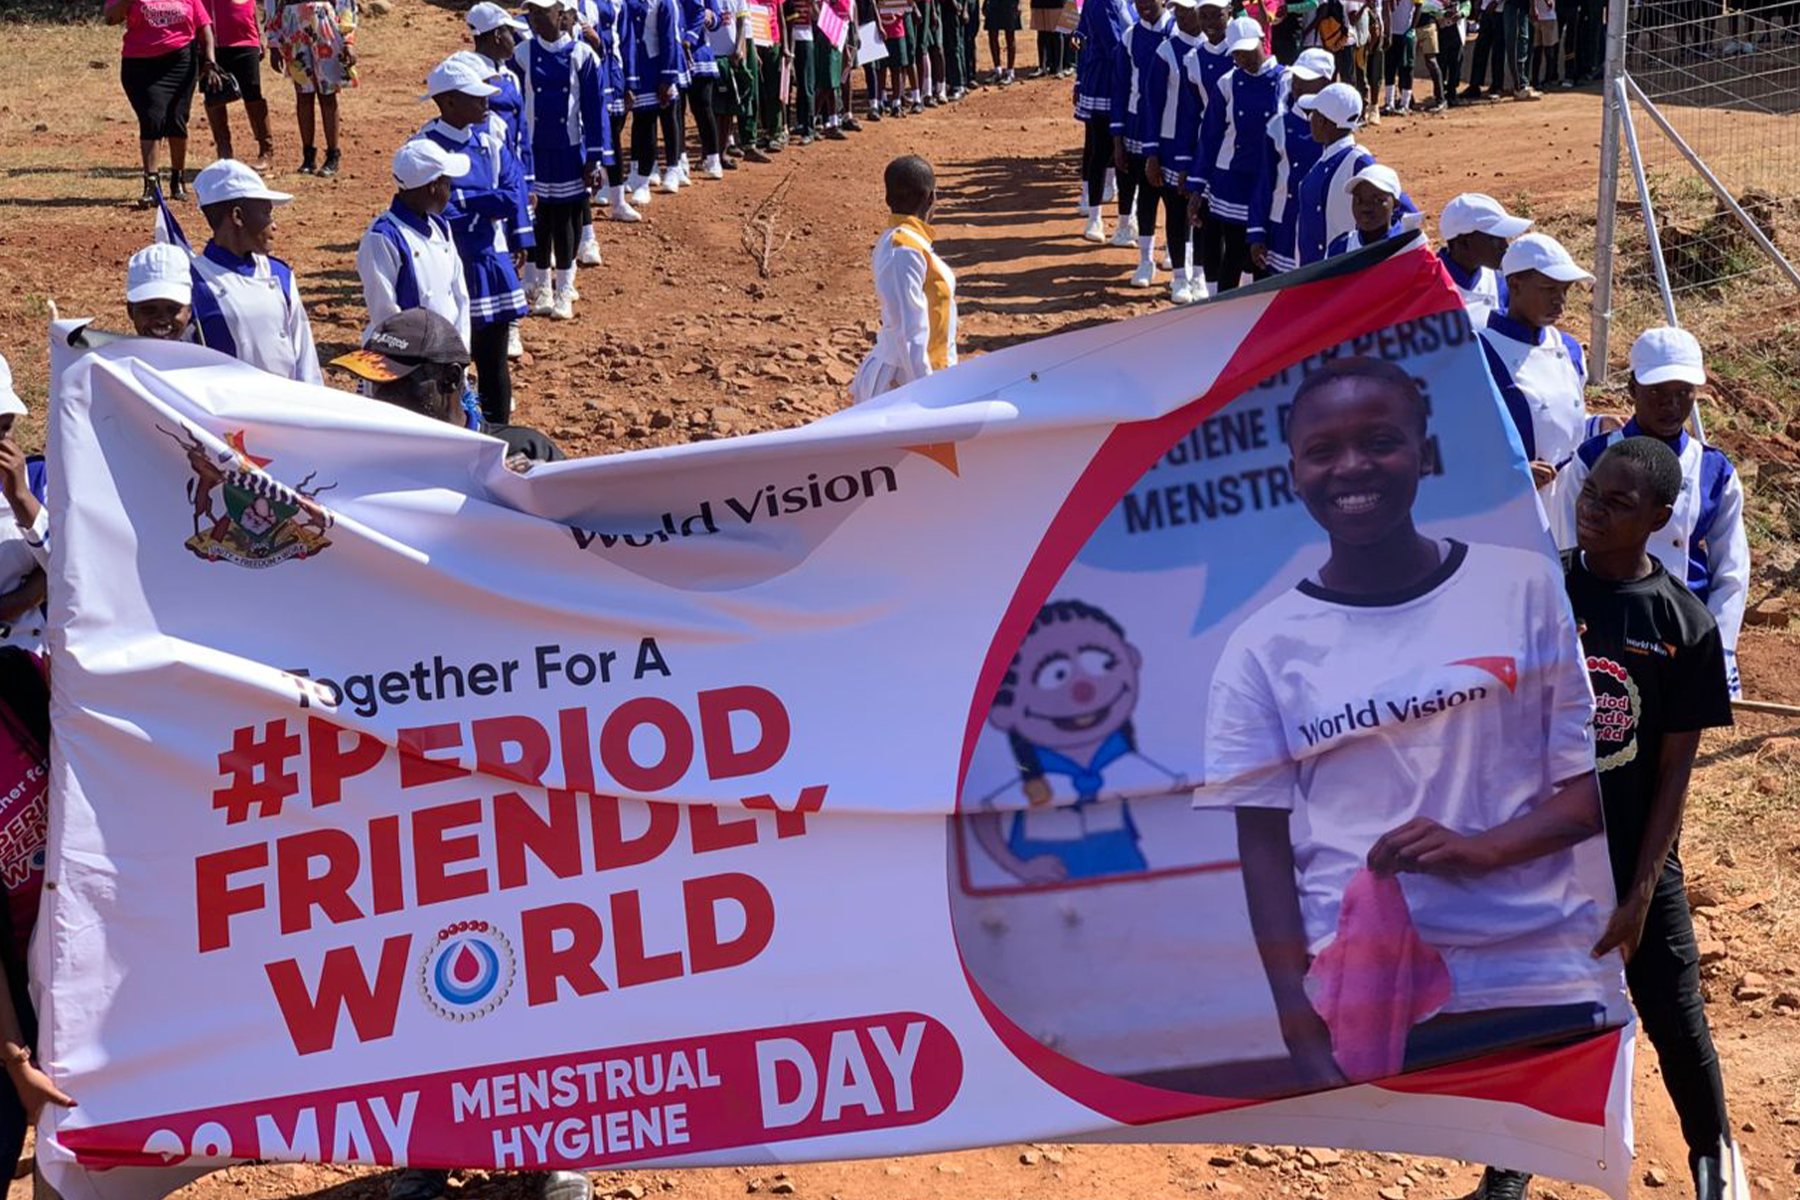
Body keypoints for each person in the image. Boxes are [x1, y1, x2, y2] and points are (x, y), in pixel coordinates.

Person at [1201, 356, 1608, 1092]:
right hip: (1366, 997)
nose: (1352, 467)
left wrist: (1484, 850)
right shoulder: (1262, 648)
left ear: (1424, 453)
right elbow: (1261, 849)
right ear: (1293, 472)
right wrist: (1300, 1029)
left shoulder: (1521, 588)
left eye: (1381, 442)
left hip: (1530, 973)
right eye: (1323, 451)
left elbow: (1591, 793)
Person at [1548, 328, 1749, 698]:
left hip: (1682, 628)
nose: (1671, 405)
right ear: (1632, 389)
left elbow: (1731, 570)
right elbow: (1564, 546)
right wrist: (1569, 619)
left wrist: (1717, 646)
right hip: (1603, 626)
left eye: (1683, 393)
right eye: (1657, 391)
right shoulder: (1592, 459)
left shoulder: (1714, 470)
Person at [417, 54, 535, 424]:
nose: (486, 101)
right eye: (475, 96)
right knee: (453, 359)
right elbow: (439, 211)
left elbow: (511, 190)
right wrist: (485, 203)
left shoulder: (490, 140)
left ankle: (499, 431)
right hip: (450, 265)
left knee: (494, 360)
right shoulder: (424, 147)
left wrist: (518, 236)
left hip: (490, 260)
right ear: (448, 100)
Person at [331, 309, 565, 472]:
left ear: (450, 379)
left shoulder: (523, 451)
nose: (378, 396)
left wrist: (542, 491)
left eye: (395, 382)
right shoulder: (366, 460)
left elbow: (587, 528)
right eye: (373, 382)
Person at [516, 0, 611, 319]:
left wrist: (594, 157)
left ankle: (565, 287)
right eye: (531, 13)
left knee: (566, 219)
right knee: (540, 221)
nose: (535, 20)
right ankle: (542, 285)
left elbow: (593, 112)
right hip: (535, 152)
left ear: (561, 16)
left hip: (570, 150)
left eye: (541, 13)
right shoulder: (523, 54)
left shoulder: (583, 56)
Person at [189, 159, 323, 385]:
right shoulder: (195, 284)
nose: (274, 225)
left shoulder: (280, 274)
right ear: (238, 217)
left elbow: (305, 358)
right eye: (266, 213)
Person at [1478, 231, 1591, 488]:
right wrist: (1510, 471)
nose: (1560, 301)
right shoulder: (1480, 352)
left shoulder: (1570, 348)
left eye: (1565, 290)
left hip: (1570, 496)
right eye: (1549, 289)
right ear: (1515, 285)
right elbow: (1461, 437)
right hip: (1513, 506)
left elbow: (1565, 422)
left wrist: (1597, 425)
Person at [850, 156, 958, 402]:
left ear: (888, 200)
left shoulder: (905, 242)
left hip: (917, 374)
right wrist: (927, 392)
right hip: (903, 382)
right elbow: (909, 331)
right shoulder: (904, 249)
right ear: (931, 198)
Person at [1192, 14, 1285, 293]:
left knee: (1262, 254)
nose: (1243, 58)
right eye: (1237, 53)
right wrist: (1198, 188)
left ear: (1261, 41)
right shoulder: (1227, 83)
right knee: (1232, 251)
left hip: (1272, 180)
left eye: (1247, 51)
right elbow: (1209, 138)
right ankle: (1221, 311)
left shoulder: (1288, 80)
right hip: (1233, 180)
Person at [357, 141, 472, 360]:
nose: (451, 190)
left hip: (447, 357)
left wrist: (460, 351)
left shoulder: (441, 227)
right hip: (403, 363)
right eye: (447, 182)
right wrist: (421, 360)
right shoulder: (382, 238)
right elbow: (385, 313)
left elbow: (460, 296)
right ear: (432, 186)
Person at [106, 0, 226, 207]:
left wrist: (210, 61)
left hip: (180, 62)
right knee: (152, 117)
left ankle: (177, 178)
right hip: (140, 65)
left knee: (177, 120)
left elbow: (204, 26)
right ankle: (151, 184)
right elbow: (110, 18)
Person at [1292, 80, 1413, 264]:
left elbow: (1403, 210)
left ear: (1324, 121)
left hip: (1339, 274)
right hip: (1314, 272)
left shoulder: (1358, 160)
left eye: (1314, 114)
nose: (1310, 119)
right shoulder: (1327, 157)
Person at [1247, 46, 1335, 275]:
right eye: (1296, 77)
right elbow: (1263, 182)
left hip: (1322, 230)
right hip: (1282, 228)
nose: (1297, 85)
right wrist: (1257, 231)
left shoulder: (1338, 129)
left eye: (1305, 79)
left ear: (1326, 83)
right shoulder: (1278, 126)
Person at [1143, 0, 1207, 300]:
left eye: (1187, 10)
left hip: (1206, 145)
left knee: (1206, 212)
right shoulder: (1166, 51)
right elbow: (1152, 105)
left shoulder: (1217, 48)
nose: (1180, 16)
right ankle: (1180, 276)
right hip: (1170, 144)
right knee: (1177, 209)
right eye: (1176, 10)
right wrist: (1152, 153)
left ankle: (1201, 275)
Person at [1110, 0, 1174, 289]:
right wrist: (1118, 140)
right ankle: (1146, 259)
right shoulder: (1130, 37)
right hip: (1137, 126)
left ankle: (1176, 252)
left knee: (1175, 200)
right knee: (1145, 195)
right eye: (1139, 1)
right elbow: (1121, 87)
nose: (1145, 5)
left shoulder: (1178, 31)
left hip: (1172, 130)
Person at [266, 0, 358, 177]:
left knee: (328, 92)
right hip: (291, 22)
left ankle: (333, 155)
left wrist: (348, 40)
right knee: (303, 94)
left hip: (323, 21)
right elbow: (271, 4)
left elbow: (345, 3)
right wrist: (273, 40)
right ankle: (308, 157)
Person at [0, 361, 47, 658]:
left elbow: (73, 565)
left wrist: (19, 495)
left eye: (5, 427)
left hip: (31, 657)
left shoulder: (39, 477)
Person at [1074, 0, 1130, 241]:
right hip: (1109, 79)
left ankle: (1125, 220)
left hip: (1124, 77)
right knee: (1103, 148)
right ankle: (1095, 217)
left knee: (1123, 152)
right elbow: (1113, 44)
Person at [1437, 192, 1530, 328]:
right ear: (1464, 242)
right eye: (1495, 238)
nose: (1505, 245)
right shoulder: (1426, 285)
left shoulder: (1501, 282)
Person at [202, 0, 275, 169]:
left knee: (252, 93)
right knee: (214, 95)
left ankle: (266, 150)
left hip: (244, 40)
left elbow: (254, 4)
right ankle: (224, 151)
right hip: (210, 43)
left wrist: (260, 35)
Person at [625, 0, 685, 202]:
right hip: (639, 66)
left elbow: (669, 37)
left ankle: (673, 168)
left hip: (659, 64)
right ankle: (643, 179)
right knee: (644, 123)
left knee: (669, 118)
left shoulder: (663, 2)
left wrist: (668, 77)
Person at [1324, 161, 1405, 254]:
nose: (1365, 208)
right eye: (1359, 199)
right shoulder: (1339, 249)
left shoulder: (1409, 247)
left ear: (1396, 204)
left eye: (1377, 200)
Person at [125, 242, 195, 341]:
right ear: (130, 311)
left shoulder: (207, 356)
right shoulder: (110, 355)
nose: (162, 320)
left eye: (173, 309)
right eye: (149, 309)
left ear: (189, 311)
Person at [987, 0, 1020, 83]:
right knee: (992, 33)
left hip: (1010, 3)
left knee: (1010, 35)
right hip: (993, 3)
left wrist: (1018, 4)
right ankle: (997, 70)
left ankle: (1010, 72)